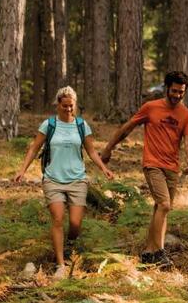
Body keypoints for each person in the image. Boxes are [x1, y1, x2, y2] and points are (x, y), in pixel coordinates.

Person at [14, 86, 114, 279]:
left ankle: (68, 246)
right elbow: (34, 148)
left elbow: (91, 151)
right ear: (58, 104)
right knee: (58, 219)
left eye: (72, 106)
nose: (69, 109)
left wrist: (104, 168)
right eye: (65, 106)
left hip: (77, 179)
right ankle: (60, 264)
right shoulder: (49, 124)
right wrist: (22, 170)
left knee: (75, 224)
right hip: (53, 179)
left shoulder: (81, 125)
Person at [101, 71, 188, 266]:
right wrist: (109, 148)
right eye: (174, 91)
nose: (177, 95)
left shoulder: (185, 113)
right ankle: (160, 252)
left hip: (172, 167)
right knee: (164, 204)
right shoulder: (151, 108)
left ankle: (148, 252)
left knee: (161, 209)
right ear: (166, 87)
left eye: (181, 92)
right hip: (152, 164)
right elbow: (127, 127)